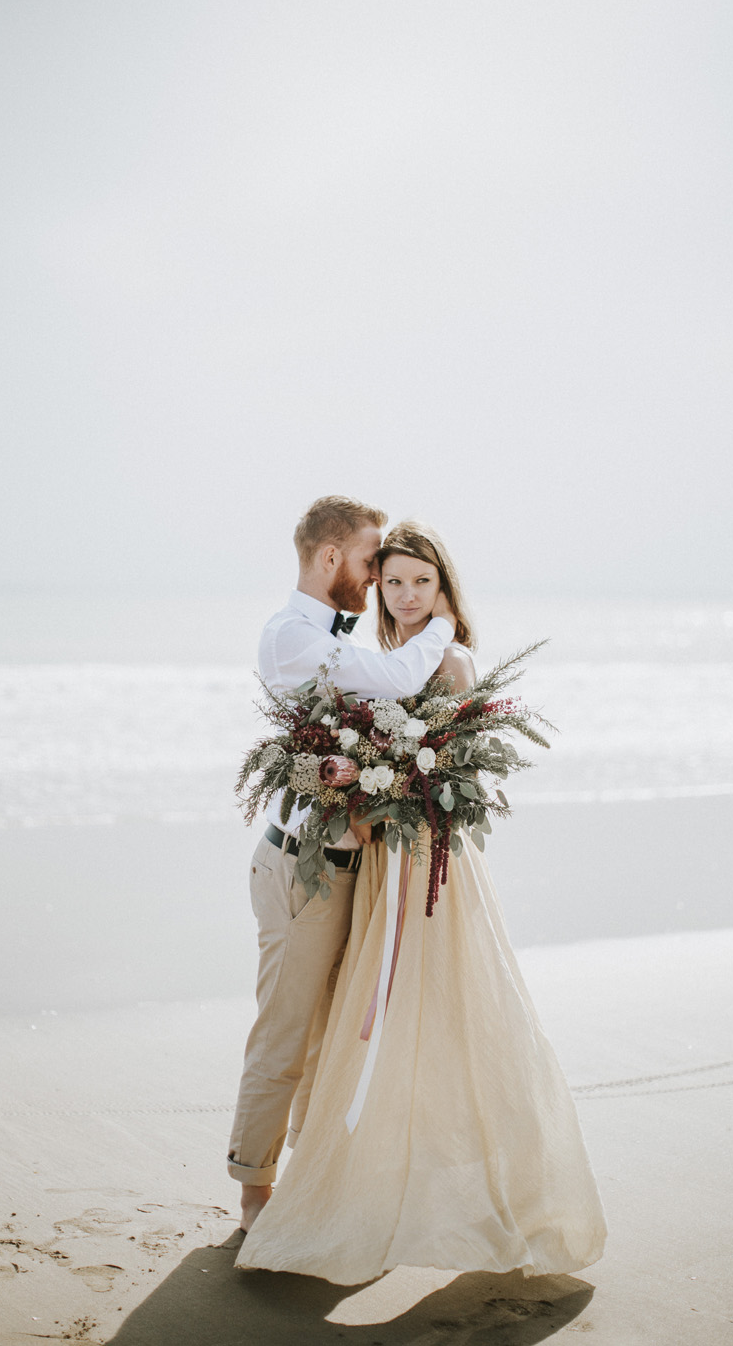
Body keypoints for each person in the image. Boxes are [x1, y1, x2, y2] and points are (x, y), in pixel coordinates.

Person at [236, 520, 607, 1283]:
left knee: (425, 1019)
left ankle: (422, 1189)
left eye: (419, 582)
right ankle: (267, 1189)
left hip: (416, 865)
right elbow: (319, 753)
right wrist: (349, 778)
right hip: (350, 868)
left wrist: (386, 787)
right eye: (390, 578)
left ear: (444, 590)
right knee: (317, 1029)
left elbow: (459, 775)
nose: (400, 593)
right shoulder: (339, 649)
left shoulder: (446, 658)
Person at [229, 498, 458, 1234]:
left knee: (332, 1035)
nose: (376, 578)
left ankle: (311, 1179)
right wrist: (445, 623)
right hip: (300, 867)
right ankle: (253, 1192)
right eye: (369, 563)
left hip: (351, 864)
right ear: (331, 559)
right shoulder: (291, 636)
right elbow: (390, 684)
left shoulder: (335, 635)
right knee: (287, 1033)